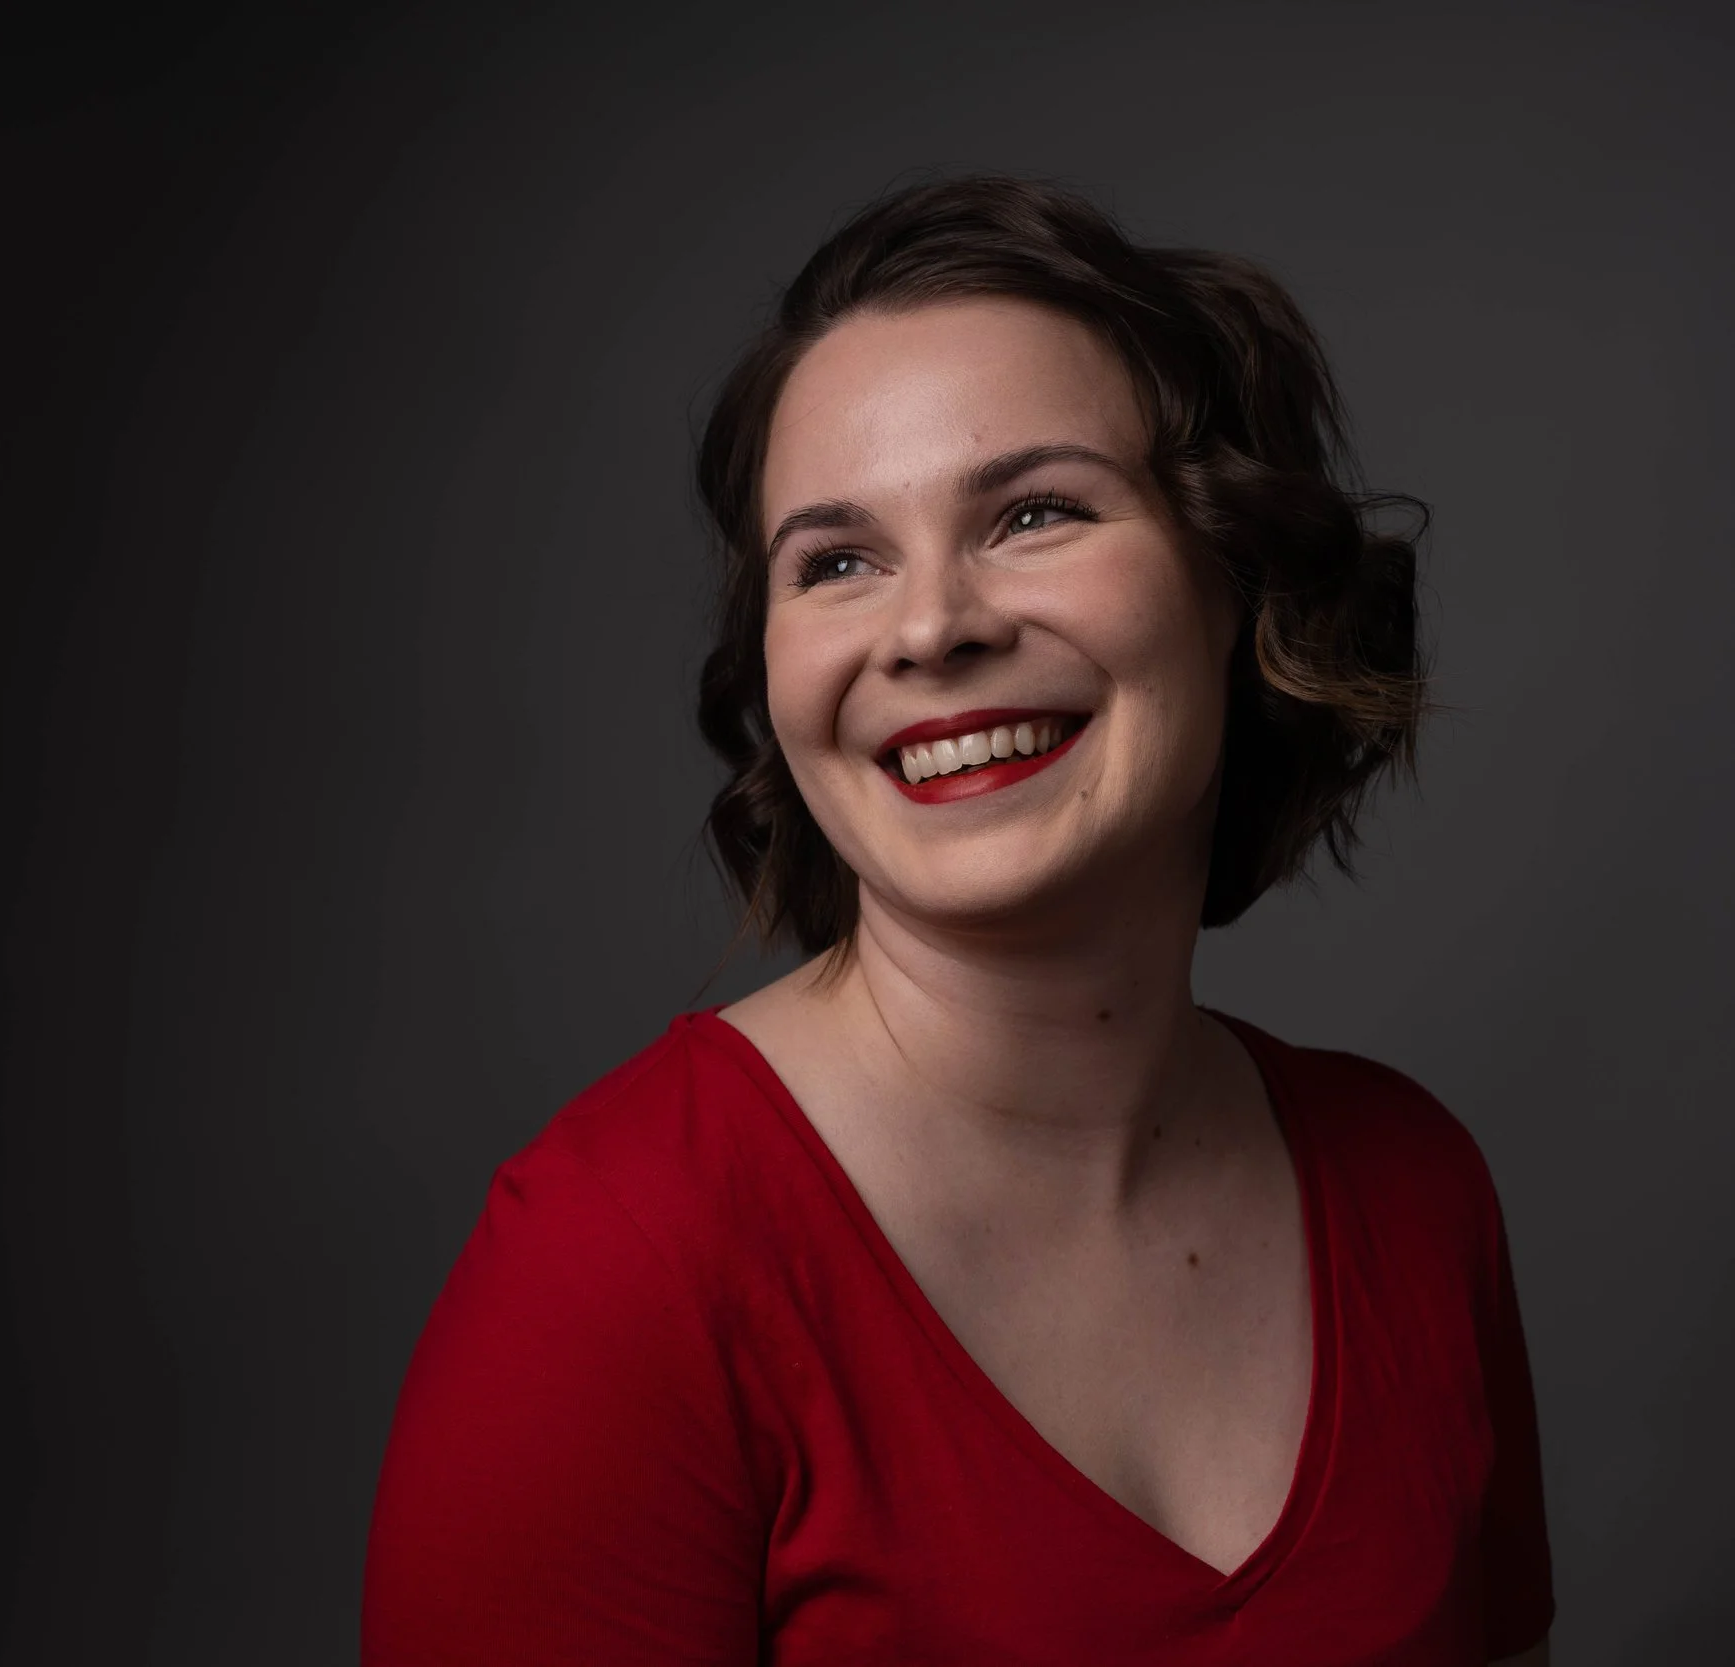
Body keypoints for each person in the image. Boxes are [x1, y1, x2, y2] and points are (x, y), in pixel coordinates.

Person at [359, 176, 1554, 1664]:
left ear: (1238, 585)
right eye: (837, 561)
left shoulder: (1417, 1194)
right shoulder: (614, 1265)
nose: (930, 628)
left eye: (1035, 512)